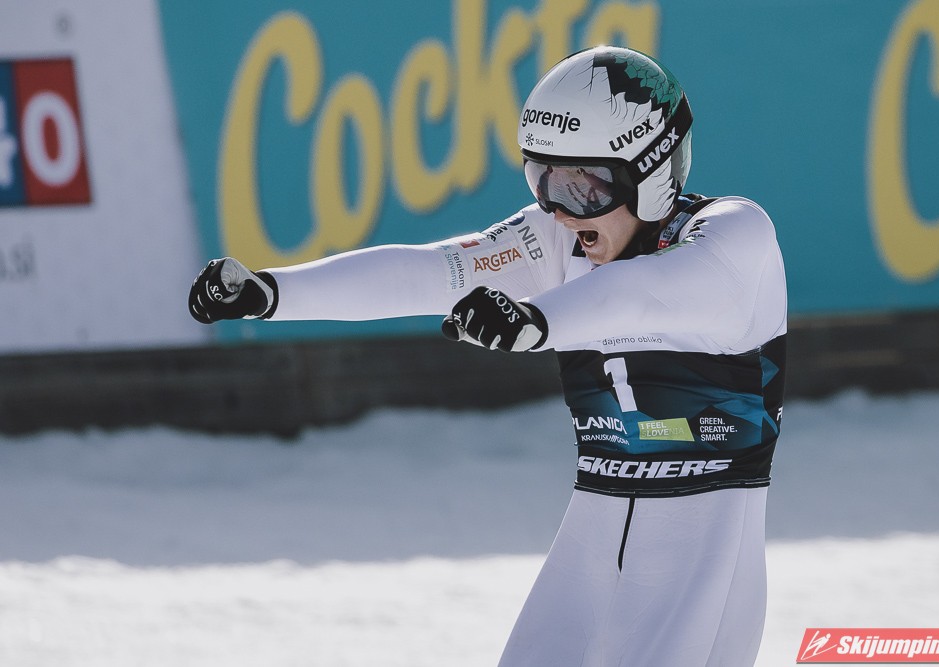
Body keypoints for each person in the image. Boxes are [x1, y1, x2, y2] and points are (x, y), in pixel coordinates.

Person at [189, 45, 786, 667]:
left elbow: (643, 294)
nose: (560, 210)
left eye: (583, 186)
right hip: (589, 548)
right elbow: (430, 271)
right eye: (544, 180)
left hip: (702, 571)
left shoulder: (736, 236)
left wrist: (537, 322)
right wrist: (272, 293)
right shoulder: (561, 240)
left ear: (650, 172)